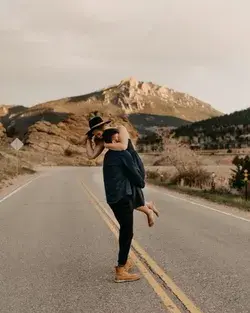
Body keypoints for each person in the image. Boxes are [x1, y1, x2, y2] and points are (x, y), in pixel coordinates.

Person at [84, 115, 159, 227]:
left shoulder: (120, 129)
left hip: (132, 163)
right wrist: (88, 139)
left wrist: (105, 144)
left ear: (103, 125)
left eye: (97, 132)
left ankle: (148, 208)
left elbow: (123, 146)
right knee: (126, 196)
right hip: (120, 168)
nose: (97, 135)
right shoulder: (101, 140)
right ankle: (148, 207)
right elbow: (91, 155)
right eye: (94, 134)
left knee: (130, 196)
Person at [102, 128, 143, 283]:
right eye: (118, 136)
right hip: (123, 197)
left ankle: (124, 262)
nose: (122, 138)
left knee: (125, 230)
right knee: (127, 232)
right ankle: (120, 269)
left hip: (112, 199)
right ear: (113, 140)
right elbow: (136, 177)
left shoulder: (108, 156)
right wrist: (140, 181)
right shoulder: (122, 154)